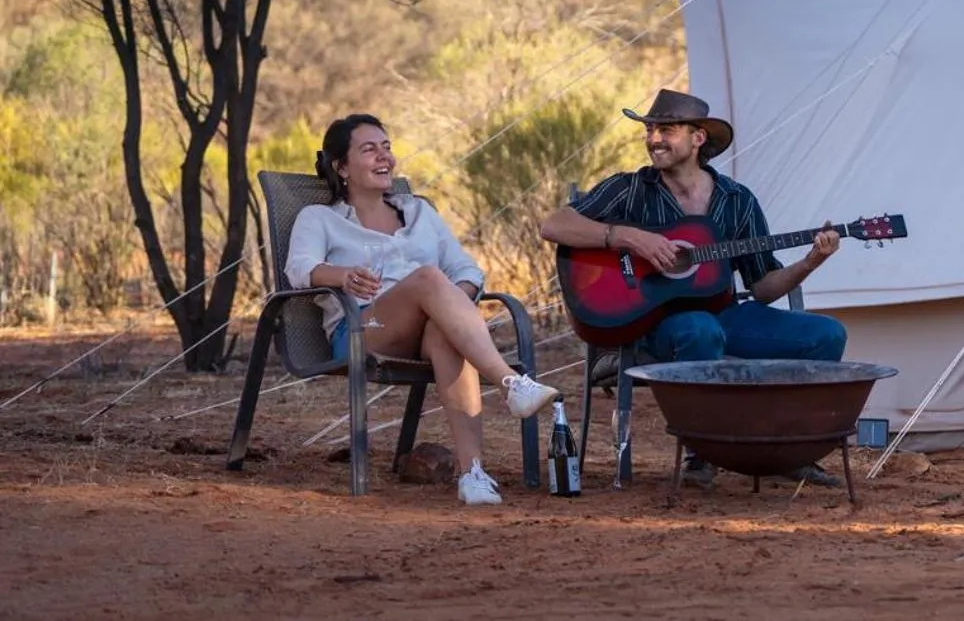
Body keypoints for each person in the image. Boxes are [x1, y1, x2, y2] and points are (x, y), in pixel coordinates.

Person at [539, 89, 847, 486]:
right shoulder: (631, 188)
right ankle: (703, 455)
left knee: (825, 334)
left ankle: (791, 451)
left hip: (726, 316)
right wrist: (630, 238)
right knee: (700, 329)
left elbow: (765, 287)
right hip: (655, 325)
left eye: (665, 129)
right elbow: (554, 225)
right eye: (650, 130)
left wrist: (812, 260)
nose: (653, 139)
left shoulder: (737, 200)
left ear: (698, 138)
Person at [285, 113, 559, 505]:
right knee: (430, 279)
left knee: (445, 330)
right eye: (369, 150)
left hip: (424, 330)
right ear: (341, 167)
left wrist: (452, 303)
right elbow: (298, 269)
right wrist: (341, 276)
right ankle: (510, 382)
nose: (385, 158)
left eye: (387, 147)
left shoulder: (419, 213)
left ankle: (473, 475)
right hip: (363, 331)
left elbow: (467, 270)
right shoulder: (321, 219)